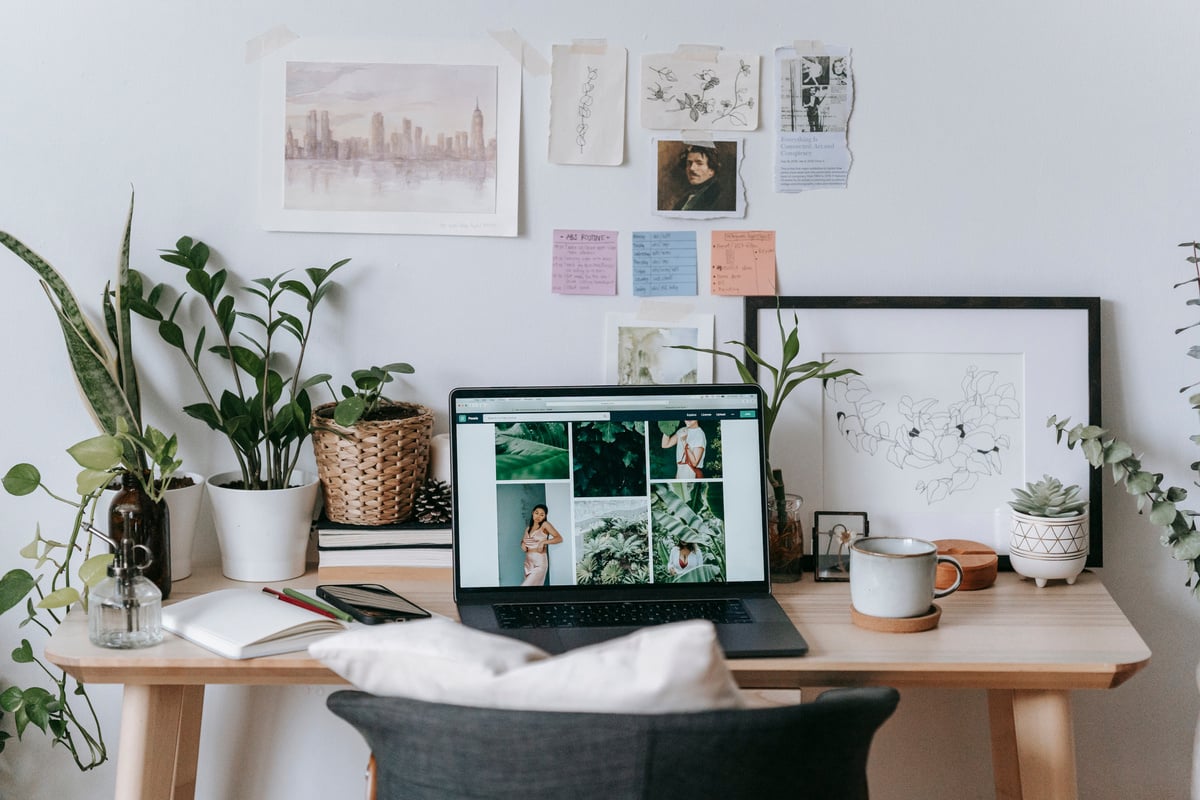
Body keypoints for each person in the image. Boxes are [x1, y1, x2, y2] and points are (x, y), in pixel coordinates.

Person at [520, 503, 563, 587]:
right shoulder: (528, 528)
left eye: (542, 515)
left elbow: (559, 538)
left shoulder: (545, 525)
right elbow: (524, 544)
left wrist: (543, 542)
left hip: (539, 562)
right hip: (528, 563)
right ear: (532, 513)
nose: (538, 516)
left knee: (524, 587)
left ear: (545, 516)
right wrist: (522, 543)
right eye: (536, 513)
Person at [673, 145, 726, 211]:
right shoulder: (685, 199)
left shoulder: (719, 197)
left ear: (711, 170)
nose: (692, 168)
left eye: (699, 163)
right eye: (689, 163)